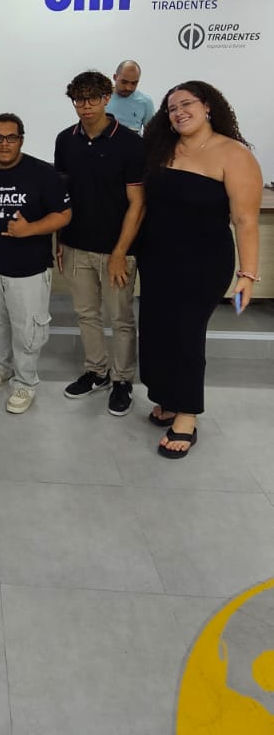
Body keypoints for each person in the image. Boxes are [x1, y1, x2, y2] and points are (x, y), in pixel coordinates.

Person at [138, 81, 263, 460]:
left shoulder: (234, 154)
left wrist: (247, 275)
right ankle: (167, 398)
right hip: (157, 258)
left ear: (208, 106)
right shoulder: (163, 148)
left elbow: (245, 220)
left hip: (203, 263)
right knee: (158, 331)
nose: (179, 113)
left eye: (186, 104)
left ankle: (187, 413)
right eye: (171, 108)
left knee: (186, 334)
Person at [0, 113, 72, 413]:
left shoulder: (42, 173)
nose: (4, 144)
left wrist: (29, 229)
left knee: (28, 330)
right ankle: (1, 367)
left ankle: (25, 381)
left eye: (11, 138)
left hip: (29, 268)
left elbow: (64, 215)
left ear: (21, 140)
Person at [54, 69, 145, 418]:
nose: (86, 106)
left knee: (120, 317)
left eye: (93, 98)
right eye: (79, 100)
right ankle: (97, 371)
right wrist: (60, 241)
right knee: (86, 313)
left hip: (116, 250)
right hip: (76, 245)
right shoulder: (66, 140)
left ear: (107, 98)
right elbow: (62, 195)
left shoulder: (131, 143)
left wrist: (120, 252)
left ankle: (122, 380)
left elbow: (138, 203)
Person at [106, 60, 154, 133]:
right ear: (115, 77)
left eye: (134, 83)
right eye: (124, 82)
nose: (128, 88)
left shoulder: (146, 102)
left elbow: (153, 134)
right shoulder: (100, 98)